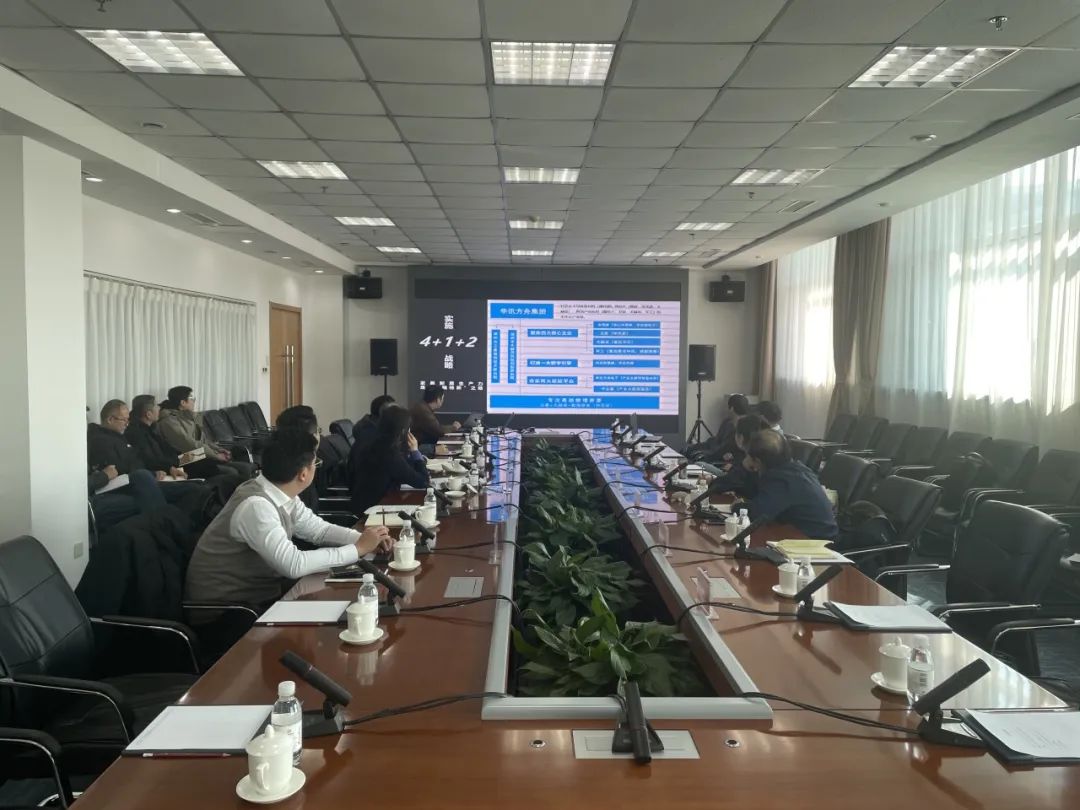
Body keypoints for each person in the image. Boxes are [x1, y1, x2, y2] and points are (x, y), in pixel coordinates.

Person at [184, 428, 392, 619]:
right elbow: (293, 564)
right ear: (303, 474)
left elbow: (318, 530)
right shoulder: (256, 506)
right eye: (315, 463)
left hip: (259, 596)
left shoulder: (280, 492)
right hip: (227, 613)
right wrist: (358, 549)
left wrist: (365, 539)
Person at [733, 430, 838, 540]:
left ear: (758, 461)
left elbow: (757, 515)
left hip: (816, 542)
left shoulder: (781, 480)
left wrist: (737, 507)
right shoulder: (796, 469)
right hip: (804, 534)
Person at [348, 404, 430, 515]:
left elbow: (406, 471)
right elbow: (423, 481)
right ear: (403, 431)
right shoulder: (388, 453)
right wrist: (415, 452)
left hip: (365, 503)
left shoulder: (370, 442)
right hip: (372, 512)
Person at [156, 386, 252, 478]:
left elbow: (203, 439)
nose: (194, 401)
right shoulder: (168, 422)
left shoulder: (193, 417)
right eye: (192, 399)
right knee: (231, 472)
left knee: (245, 468)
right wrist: (215, 455)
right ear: (183, 402)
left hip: (198, 455)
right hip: (182, 459)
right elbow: (189, 445)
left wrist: (218, 449)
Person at [698, 413, 767, 499]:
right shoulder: (769, 458)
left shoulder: (749, 463)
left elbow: (729, 481)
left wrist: (711, 481)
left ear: (741, 438)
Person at [687, 393, 750, 462]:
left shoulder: (741, 428)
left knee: (696, 457)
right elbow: (717, 440)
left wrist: (703, 453)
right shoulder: (727, 422)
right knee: (690, 449)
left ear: (731, 408)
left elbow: (722, 451)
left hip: (719, 456)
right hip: (715, 448)